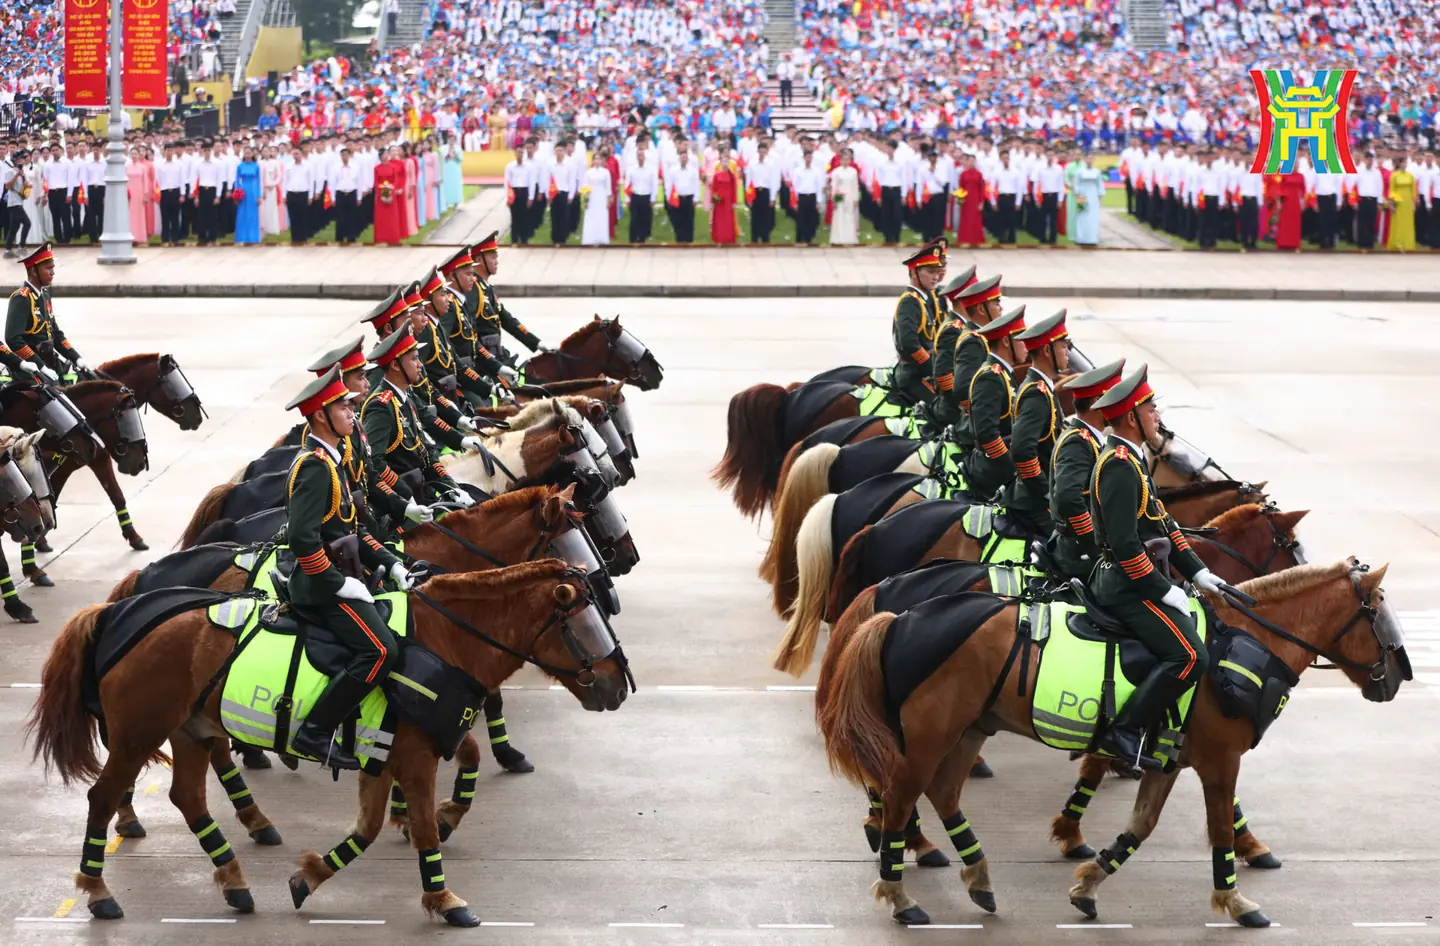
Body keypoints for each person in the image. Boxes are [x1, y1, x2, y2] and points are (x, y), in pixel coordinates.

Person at [1087, 364, 1226, 770]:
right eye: (1151, 410)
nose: (1157, 416)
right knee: (1191, 656)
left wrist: (1198, 572)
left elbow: (1164, 524)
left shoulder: (1132, 461)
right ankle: (1125, 732)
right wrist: (1163, 590)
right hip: (1124, 585)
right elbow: (1124, 545)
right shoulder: (1118, 465)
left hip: (1137, 579)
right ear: (1132, 418)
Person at [282, 366, 408, 770]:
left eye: (351, 407)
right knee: (381, 650)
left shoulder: (333, 461)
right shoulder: (315, 466)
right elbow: (302, 540)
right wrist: (338, 585)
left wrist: (392, 564)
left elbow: (350, 530)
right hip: (319, 586)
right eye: (343, 408)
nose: (353, 413)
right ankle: (315, 732)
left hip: (342, 575)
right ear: (321, 416)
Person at [307, 338, 434, 540]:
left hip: (368, 518)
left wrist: (405, 506)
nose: (368, 384)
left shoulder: (355, 425)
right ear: (341, 384)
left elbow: (370, 478)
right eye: (361, 378)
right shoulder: (326, 438)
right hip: (349, 531)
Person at [360, 325, 473, 507]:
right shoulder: (381, 406)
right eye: (414, 359)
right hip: (400, 503)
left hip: (423, 492)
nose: (420, 364)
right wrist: (404, 498)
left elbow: (426, 453)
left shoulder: (405, 397)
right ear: (395, 365)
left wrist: (451, 487)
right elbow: (374, 463)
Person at [1046, 358, 1126, 579]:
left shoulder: (1089, 439)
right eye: (1114, 399)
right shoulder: (1078, 442)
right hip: (1077, 553)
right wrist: (1096, 545)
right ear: (1097, 402)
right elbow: (1068, 497)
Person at [1002, 310, 1070, 536]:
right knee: (1074, 546)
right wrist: (1047, 494)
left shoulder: (1043, 388)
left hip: (1041, 492)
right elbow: (1022, 451)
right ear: (1047, 350)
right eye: (1063, 346)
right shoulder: (1037, 394)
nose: (1068, 352)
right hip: (1034, 501)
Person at [961, 305, 1027, 500]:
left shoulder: (1004, 373)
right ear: (1006, 341)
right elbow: (987, 435)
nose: (1027, 346)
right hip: (992, 470)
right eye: (1021, 339)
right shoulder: (990, 376)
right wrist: (1013, 467)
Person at [6, 243, 82, 380]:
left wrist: (77, 358)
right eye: (48, 268)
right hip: (30, 369)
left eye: (53, 267)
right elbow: (13, 340)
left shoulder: (45, 295)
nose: (53, 272)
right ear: (34, 271)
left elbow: (56, 334)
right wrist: (40, 366)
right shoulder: (22, 298)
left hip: (50, 363)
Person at [470, 232, 545, 368]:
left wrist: (537, 343)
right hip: (483, 364)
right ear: (479, 260)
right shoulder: (473, 290)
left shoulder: (486, 289)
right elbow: (469, 334)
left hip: (496, 357)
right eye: (492, 257)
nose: (497, 261)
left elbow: (509, 321)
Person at [891, 241, 946, 406]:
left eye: (937, 271)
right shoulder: (909, 302)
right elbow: (909, 343)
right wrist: (932, 368)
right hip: (913, 376)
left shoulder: (926, 299)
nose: (936, 277)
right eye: (930, 272)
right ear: (914, 273)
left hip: (926, 372)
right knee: (942, 408)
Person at [708, 143, 739, 245]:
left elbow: (734, 189)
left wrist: (734, 202)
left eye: (726, 162)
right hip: (719, 202)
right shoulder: (717, 175)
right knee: (719, 220)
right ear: (720, 163)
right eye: (723, 162)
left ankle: (729, 238)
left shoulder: (732, 176)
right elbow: (714, 188)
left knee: (728, 220)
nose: (725, 164)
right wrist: (713, 200)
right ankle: (719, 238)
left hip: (728, 201)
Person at [828, 148, 859, 245]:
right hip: (839, 197)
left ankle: (849, 238)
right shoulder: (836, 172)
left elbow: (855, 186)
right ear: (840, 160)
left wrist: (855, 199)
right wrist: (834, 198)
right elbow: (834, 186)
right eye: (844, 159)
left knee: (849, 217)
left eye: (847, 159)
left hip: (850, 196)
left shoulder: (853, 171)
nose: (845, 161)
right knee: (839, 217)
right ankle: (838, 238)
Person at [1071, 156, 1103, 246]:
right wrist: (1078, 195)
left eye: (1091, 158)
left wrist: (1100, 197)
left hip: (1093, 196)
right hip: (1082, 195)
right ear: (1085, 160)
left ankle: (1093, 238)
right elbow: (1076, 184)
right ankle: (1081, 238)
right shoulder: (1079, 171)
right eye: (1088, 158)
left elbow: (1100, 185)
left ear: (1094, 160)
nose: (1089, 160)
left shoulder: (1097, 172)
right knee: (1081, 215)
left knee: (1093, 216)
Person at [233, 149, 261, 245]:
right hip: (243, 190)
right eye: (246, 153)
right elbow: (237, 181)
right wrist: (236, 194)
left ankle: (253, 237)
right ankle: (242, 237)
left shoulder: (256, 166)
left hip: (253, 190)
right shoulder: (240, 166)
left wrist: (259, 195)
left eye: (249, 153)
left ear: (252, 154)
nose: (248, 155)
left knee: (252, 215)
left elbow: (259, 182)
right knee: (242, 214)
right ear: (244, 155)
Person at [957, 154, 985, 246]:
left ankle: (976, 240)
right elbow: (961, 188)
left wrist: (981, 202)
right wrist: (960, 199)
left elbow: (982, 189)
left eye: (973, 161)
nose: (972, 163)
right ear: (967, 162)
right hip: (966, 201)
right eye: (970, 161)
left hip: (976, 200)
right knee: (966, 220)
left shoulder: (979, 174)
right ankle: (965, 239)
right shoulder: (963, 174)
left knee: (976, 220)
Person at [1388, 163, 1417, 251]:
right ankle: (1397, 243)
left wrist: (1414, 203)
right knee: (1398, 221)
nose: (1404, 165)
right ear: (1399, 164)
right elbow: (1392, 190)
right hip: (1398, 200)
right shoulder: (1394, 175)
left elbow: (1414, 190)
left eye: (1405, 163)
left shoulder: (1410, 176)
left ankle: (1408, 243)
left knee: (1407, 222)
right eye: (1402, 163)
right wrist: (1391, 203)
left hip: (1408, 201)